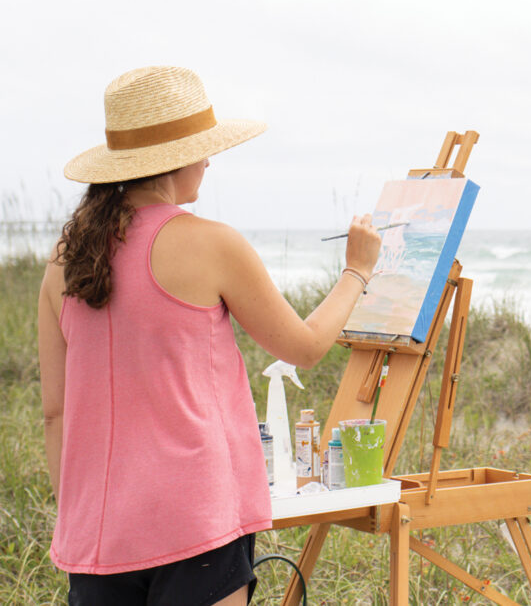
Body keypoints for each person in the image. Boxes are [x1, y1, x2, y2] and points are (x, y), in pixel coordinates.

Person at [37, 65, 382, 606]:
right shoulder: (210, 243)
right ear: (177, 157)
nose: (209, 159)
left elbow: (54, 412)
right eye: (203, 146)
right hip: (194, 522)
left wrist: (79, 519)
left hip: (94, 536)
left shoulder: (62, 262)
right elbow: (306, 348)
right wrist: (356, 271)